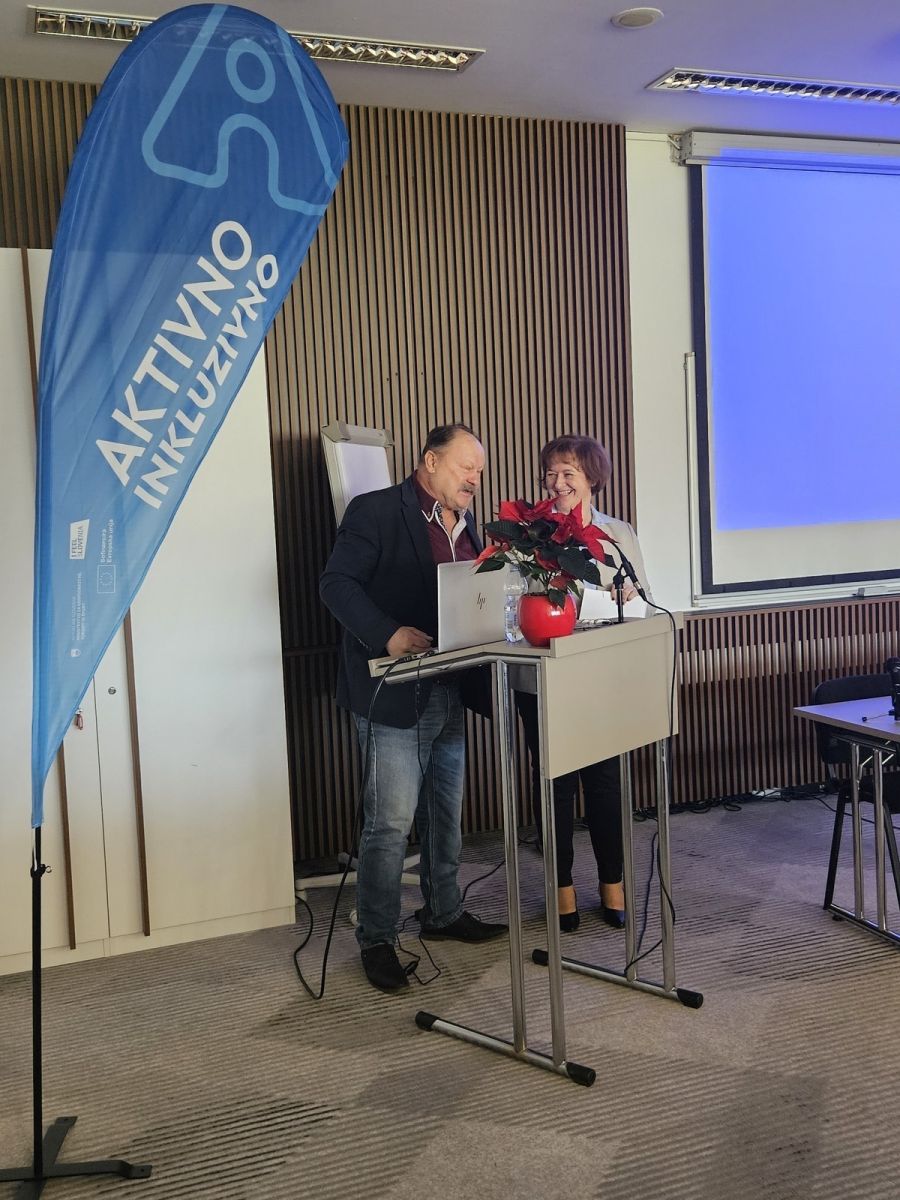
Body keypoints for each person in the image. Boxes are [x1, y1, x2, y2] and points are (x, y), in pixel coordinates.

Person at [319, 423, 507, 993]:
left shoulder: (468, 525)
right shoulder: (375, 511)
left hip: (449, 688)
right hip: (393, 691)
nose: (475, 478)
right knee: (391, 822)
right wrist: (387, 633)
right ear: (430, 461)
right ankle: (377, 937)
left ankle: (443, 912)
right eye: (466, 466)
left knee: (445, 813)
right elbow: (336, 585)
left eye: (479, 470)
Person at [513, 433, 653, 932]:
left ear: (592, 478)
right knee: (554, 782)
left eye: (568, 473)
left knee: (605, 781)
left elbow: (644, 596)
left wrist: (631, 594)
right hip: (546, 673)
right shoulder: (529, 534)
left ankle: (613, 884)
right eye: (551, 473)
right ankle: (561, 890)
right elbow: (515, 601)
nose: (557, 482)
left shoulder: (618, 533)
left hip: (602, 674)